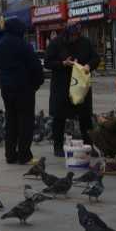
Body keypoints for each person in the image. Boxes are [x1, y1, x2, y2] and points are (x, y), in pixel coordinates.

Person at [0, 18, 45, 164]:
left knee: (11, 121)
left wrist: (4, 81)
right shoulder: (24, 46)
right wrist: (35, 85)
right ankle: (24, 155)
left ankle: (10, 154)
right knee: (25, 122)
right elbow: (36, 67)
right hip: (24, 89)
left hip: (7, 90)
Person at [44, 23, 101, 157]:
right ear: (66, 34)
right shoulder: (56, 43)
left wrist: (88, 65)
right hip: (62, 86)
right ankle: (58, 147)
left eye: (77, 35)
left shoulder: (85, 43)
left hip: (80, 86)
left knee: (85, 117)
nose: (75, 38)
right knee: (59, 117)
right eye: (72, 35)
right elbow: (47, 62)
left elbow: (96, 58)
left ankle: (89, 145)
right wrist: (62, 63)